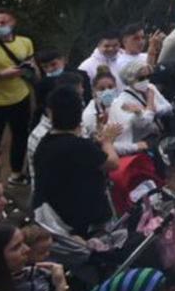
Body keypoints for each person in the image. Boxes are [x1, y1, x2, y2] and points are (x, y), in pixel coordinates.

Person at [31, 87, 120, 237]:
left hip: (57, 215)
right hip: (82, 222)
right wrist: (107, 142)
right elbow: (112, 163)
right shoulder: (78, 146)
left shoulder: (44, 144)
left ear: (50, 113)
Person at [0, 7, 35, 187]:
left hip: (20, 98)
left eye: (3, 22)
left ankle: (17, 174)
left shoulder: (25, 42)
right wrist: (2, 75)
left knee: (20, 137)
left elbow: (30, 64)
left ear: (13, 22)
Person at [109, 61, 172, 156]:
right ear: (130, 79)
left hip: (159, 136)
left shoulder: (150, 87)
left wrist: (150, 110)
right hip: (142, 143)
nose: (146, 81)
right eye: (141, 78)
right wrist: (150, 104)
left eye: (148, 77)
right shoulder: (123, 100)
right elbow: (143, 123)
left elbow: (168, 107)